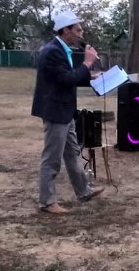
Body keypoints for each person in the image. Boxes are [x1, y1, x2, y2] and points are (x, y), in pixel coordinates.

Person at [31, 11, 105, 214]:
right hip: (55, 111)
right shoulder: (52, 52)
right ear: (66, 30)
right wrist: (87, 63)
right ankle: (47, 202)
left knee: (72, 152)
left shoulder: (62, 50)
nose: (81, 33)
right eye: (78, 30)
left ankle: (83, 191)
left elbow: (69, 76)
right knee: (52, 158)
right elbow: (67, 79)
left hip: (65, 111)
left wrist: (91, 76)